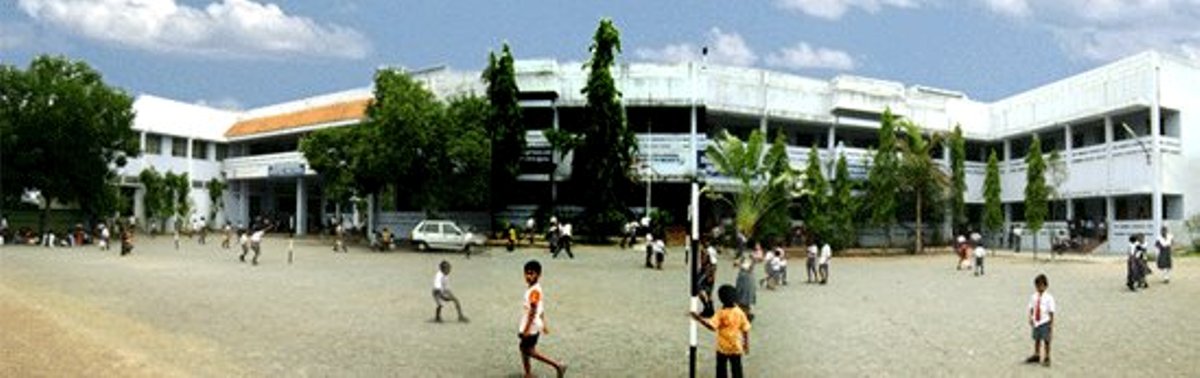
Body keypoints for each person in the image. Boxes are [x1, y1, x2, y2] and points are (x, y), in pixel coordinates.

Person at [518, 260, 567, 378]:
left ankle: (557, 365)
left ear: (539, 275)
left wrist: (526, 329)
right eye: (527, 273)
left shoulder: (534, 291)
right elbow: (541, 308)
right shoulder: (535, 288)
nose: (528, 276)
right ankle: (528, 373)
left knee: (528, 351)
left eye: (532, 273)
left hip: (531, 326)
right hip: (534, 325)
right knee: (524, 349)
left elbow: (533, 311)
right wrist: (544, 324)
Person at [690, 285, 751, 378]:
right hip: (736, 345)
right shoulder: (739, 312)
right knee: (737, 368)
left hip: (722, 346)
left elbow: (712, 326)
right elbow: (745, 329)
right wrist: (746, 344)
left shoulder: (721, 313)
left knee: (721, 368)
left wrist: (699, 319)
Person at [1025, 274, 1056, 367]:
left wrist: (1051, 323)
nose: (1039, 288)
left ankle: (1047, 356)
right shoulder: (1034, 296)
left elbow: (1051, 311)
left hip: (1045, 321)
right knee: (1037, 339)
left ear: (1046, 286)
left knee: (1046, 340)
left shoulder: (1049, 298)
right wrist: (1030, 317)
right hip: (1036, 321)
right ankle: (1037, 354)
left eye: (1041, 285)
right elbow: (1031, 308)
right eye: (1037, 286)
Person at [734, 245, 758, 321]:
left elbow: (750, 269)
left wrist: (740, 264)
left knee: (746, 297)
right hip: (742, 278)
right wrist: (739, 261)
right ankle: (744, 314)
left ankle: (746, 315)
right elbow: (735, 264)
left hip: (747, 279)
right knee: (740, 296)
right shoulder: (743, 258)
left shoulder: (753, 258)